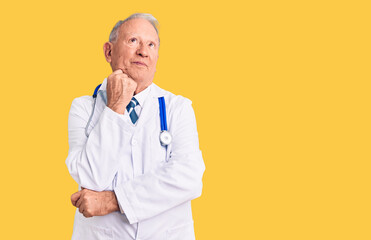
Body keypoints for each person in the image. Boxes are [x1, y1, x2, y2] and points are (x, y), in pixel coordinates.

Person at [65, 13, 205, 240]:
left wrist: (113, 200)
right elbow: (91, 178)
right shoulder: (83, 108)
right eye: (133, 41)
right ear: (109, 52)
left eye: (151, 44)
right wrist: (116, 106)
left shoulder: (177, 108)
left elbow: (188, 178)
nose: (143, 51)